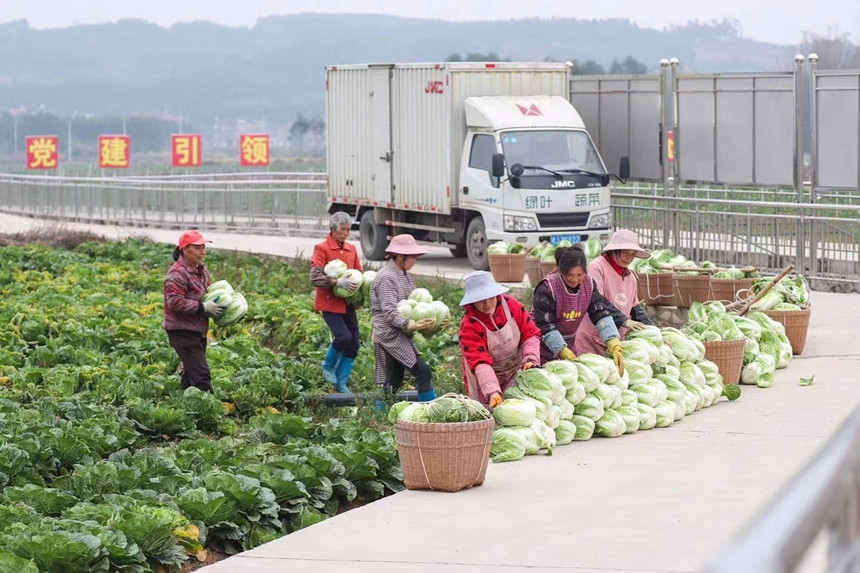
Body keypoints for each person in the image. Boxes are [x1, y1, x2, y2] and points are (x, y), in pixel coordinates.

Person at [532, 244, 627, 374]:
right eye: (569, 275)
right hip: (541, 347)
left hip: (569, 345)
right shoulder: (548, 288)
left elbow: (600, 313)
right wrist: (562, 350)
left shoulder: (588, 284)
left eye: (580, 275)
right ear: (561, 271)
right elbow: (545, 326)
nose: (575, 280)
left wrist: (613, 342)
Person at [458, 271, 541, 408]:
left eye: (490, 298)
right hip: (485, 377)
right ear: (472, 301)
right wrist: (492, 391)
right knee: (491, 415)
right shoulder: (469, 325)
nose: (487, 304)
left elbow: (529, 334)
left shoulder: (511, 306)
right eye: (481, 300)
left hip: (514, 367)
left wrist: (531, 359)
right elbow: (480, 362)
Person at [370, 234, 437, 402]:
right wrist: (410, 324)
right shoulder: (387, 277)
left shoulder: (404, 274)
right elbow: (389, 311)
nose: (415, 260)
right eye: (413, 257)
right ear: (400, 256)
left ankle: (379, 414)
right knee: (423, 371)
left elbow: (413, 301)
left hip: (399, 330)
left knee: (395, 379)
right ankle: (431, 410)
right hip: (388, 332)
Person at [163, 230, 226, 393]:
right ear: (185, 250)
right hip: (182, 332)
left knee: (191, 373)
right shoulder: (176, 274)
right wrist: (203, 308)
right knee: (201, 375)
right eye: (198, 248)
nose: (203, 252)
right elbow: (174, 302)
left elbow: (208, 292)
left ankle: (184, 408)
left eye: (204, 247)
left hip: (197, 330)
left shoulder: (201, 271)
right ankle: (207, 411)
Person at [575, 229, 655, 356]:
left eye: (633, 254)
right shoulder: (596, 268)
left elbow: (635, 308)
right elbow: (597, 301)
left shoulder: (630, 277)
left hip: (617, 341)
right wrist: (624, 320)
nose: (629, 258)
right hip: (591, 339)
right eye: (625, 253)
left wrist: (654, 331)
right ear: (614, 250)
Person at [310, 212, 363, 393]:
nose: (346, 233)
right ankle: (328, 365)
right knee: (343, 337)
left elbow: (359, 274)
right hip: (329, 303)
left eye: (348, 230)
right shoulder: (322, 248)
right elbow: (315, 277)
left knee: (354, 344)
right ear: (333, 229)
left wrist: (360, 296)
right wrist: (336, 282)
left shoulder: (352, 249)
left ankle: (341, 382)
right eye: (343, 229)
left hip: (348, 303)